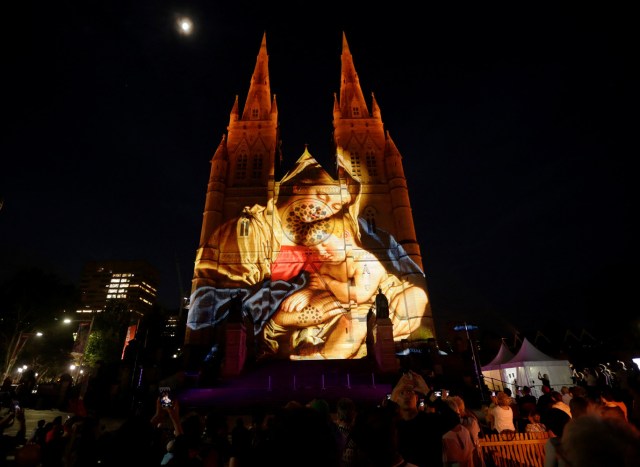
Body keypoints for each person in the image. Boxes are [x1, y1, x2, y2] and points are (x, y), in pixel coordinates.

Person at [267, 217, 430, 359]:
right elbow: (315, 286)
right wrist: (306, 293)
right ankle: (320, 349)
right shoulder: (326, 266)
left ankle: (338, 351)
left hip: (380, 299)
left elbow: (359, 294)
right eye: (315, 250)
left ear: (345, 236)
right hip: (350, 307)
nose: (321, 253)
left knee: (358, 321)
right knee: (349, 321)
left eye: (324, 244)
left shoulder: (365, 261)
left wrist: (328, 283)